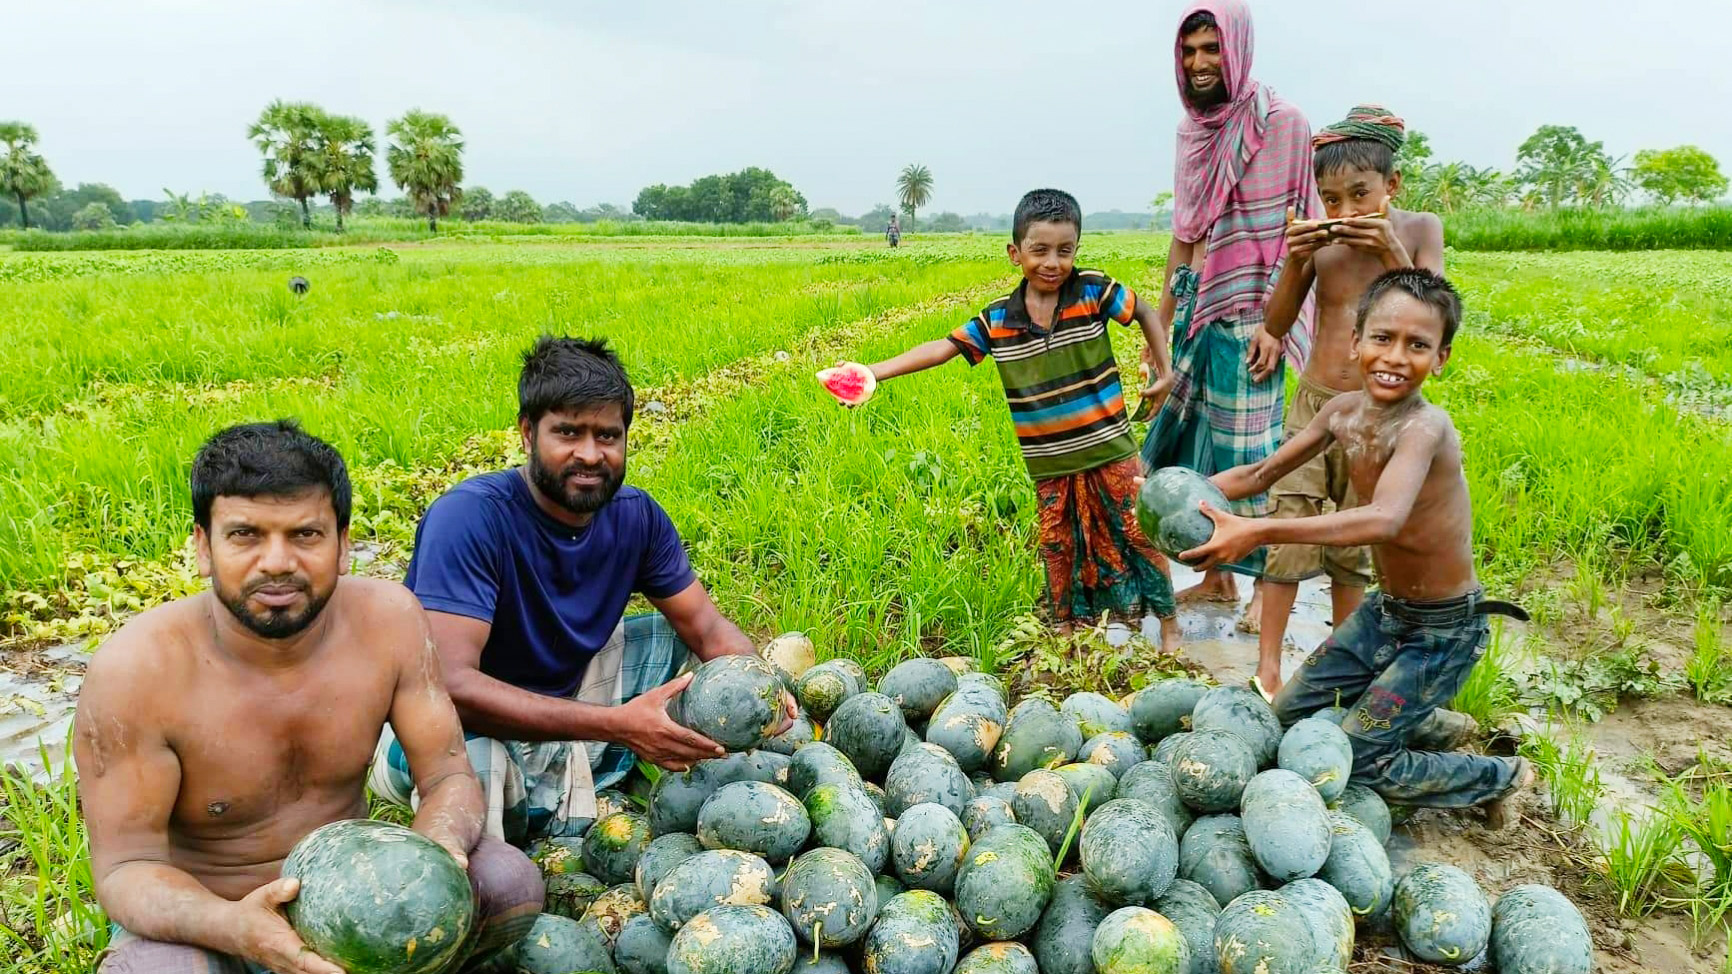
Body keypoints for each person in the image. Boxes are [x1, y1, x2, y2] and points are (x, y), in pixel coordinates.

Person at [78, 421, 542, 974]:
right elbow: (127, 867)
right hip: (214, 919)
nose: (277, 561)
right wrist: (239, 928)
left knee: (509, 883)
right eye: (245, 534)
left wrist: (433, 853)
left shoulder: (388, 621)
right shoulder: (136, 671)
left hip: (358, 908)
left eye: (305, 534)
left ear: (344, 544)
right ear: (203, 547)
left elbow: (447, 777)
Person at [370, 336, 794, 846]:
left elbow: (705, 628)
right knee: (480, 793)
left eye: (607, 436)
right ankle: (547, 806)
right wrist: (615, 725)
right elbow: (451, 686)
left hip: (563, 695)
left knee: (671, 639)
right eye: (568, 433)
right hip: (448, 725)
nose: (590, 455)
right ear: (528, 434)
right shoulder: (471, 518)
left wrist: (766, 690)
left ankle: (579, 770)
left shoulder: (636, 517)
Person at [1177, 269, 1533, 824]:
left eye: (1417, 345)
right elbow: (1263, 473)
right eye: (1383, 338)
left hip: (1442, 631)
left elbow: (1384, 519)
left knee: (1361, 759)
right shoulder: (1340, 411)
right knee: (1289, 716)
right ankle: (1431, 721)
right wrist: (1185, 492)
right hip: (1384, 614)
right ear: (1355, 342)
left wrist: (1259, 530)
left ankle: (1499, 777)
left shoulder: (1425, 428)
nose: (1395, 356)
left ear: (1441, 357)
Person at [849, 188, 1182, 648]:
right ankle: (1065, 626)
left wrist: (1165, 370)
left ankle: (1168, 624)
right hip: (1048, 462)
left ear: (1077, 250)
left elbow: (1145, 311)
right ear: (1015, 253)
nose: (1053, 262)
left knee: (1136, 533)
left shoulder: (1092, 291)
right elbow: (941, 349)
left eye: (1065, 251)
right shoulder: (998, 321)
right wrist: (873, 372)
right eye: (1039, 250)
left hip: (1111, 449)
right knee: (1058, 545)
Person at [1249, 104, 1445, 698]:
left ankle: (1345, 666)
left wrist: (1389, 251)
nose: (1344, 213)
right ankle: (1268, 668)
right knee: (1288, 528)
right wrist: (1296, 258)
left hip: (1379, 415)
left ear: (1392, 185)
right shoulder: (1323, 246)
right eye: (1330, 200)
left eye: (1360, 195)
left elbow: (1433, 309)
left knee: (1353, 548)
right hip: (1314, 403)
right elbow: (1277, 322)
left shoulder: (1418, 230)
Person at [1141, 0, 1322, 630]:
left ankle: (1261, 594)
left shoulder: (1285, 123)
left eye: (1211, 48)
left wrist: (1276, 324)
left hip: (1254, 317)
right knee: (1190, 444)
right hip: (1197, 313)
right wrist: (1159, 325)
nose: (1198, 63)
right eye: (1189, 51)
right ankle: (1217, 581)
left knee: (1252, 451)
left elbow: (1303, 232)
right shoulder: (1192, 131)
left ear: (1237, 48)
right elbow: (1185, 236)